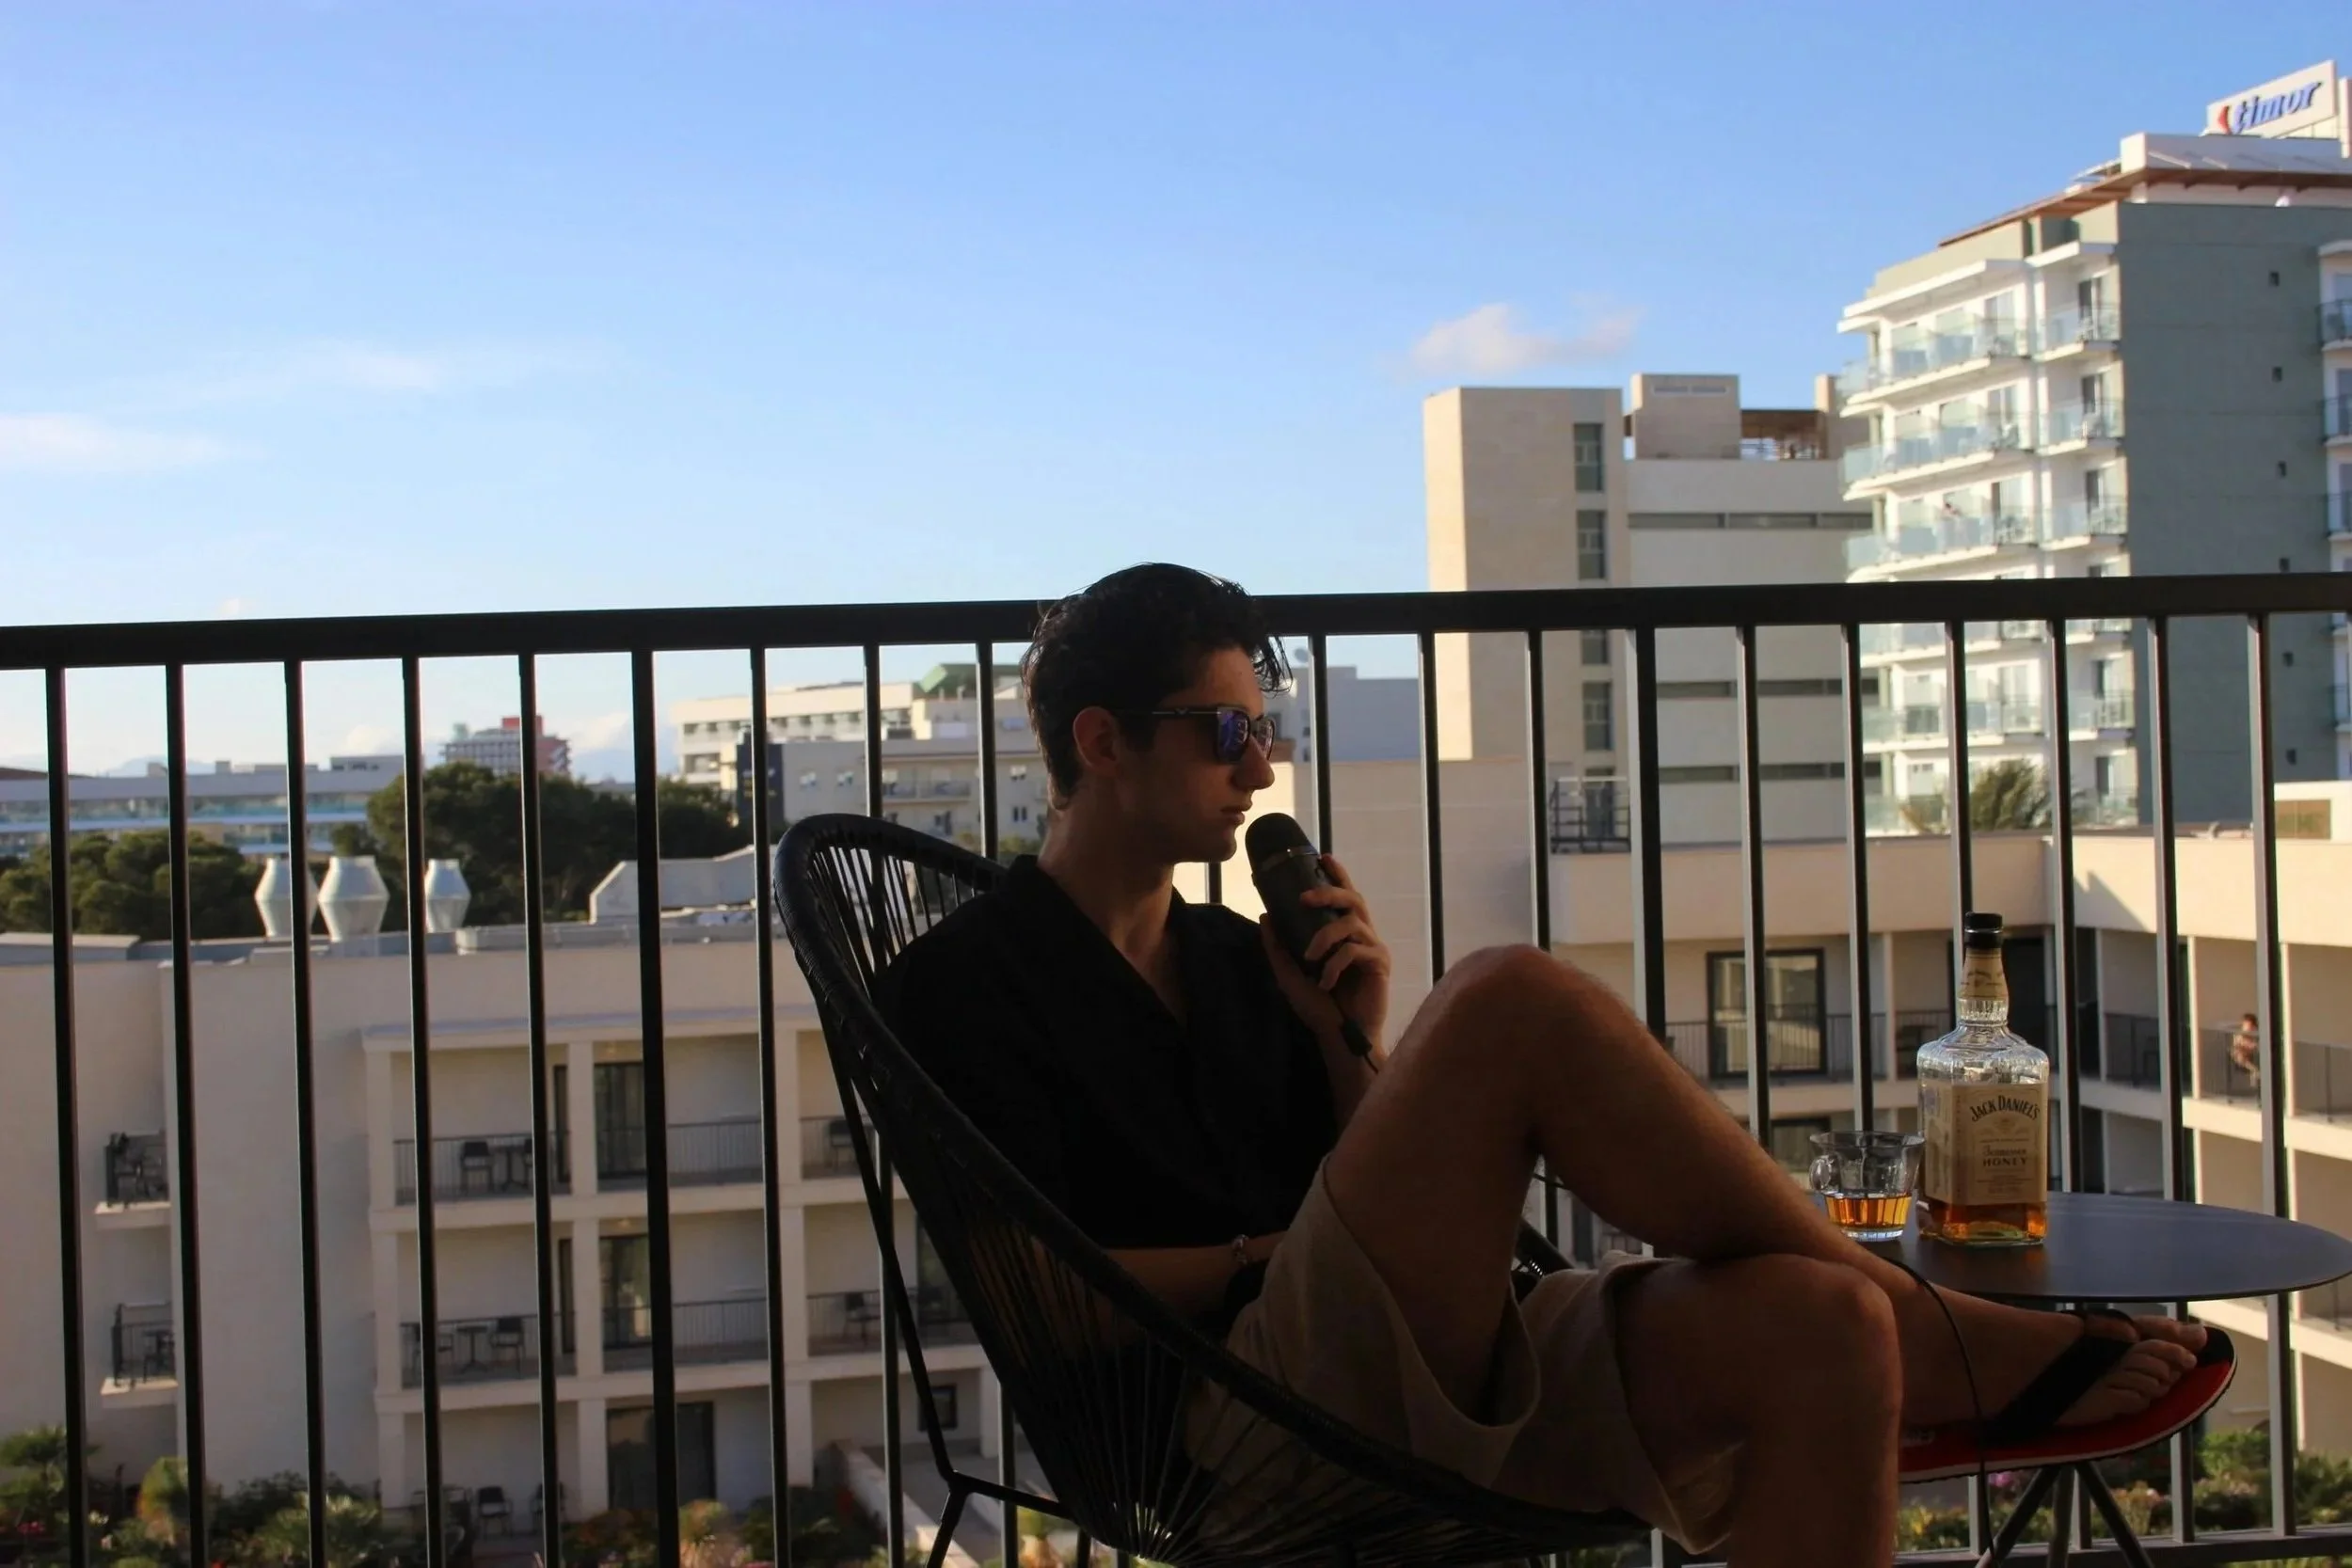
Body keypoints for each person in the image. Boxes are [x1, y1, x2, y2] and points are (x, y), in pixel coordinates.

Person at [877, 563, 2220, 1568]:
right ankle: (1954, 1334)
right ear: (1103, 743)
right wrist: (1261, 1258)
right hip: (1227, 1426)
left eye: (1264, 725)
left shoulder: (1243, 959)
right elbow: (1044, 1300)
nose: (1264, 763)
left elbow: (1372, 1197)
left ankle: (1903, 1320)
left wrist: (1351, 1029)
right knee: (1513, 994)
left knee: (1828, 1331)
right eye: (1226, 732)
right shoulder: (961, 983)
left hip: (1423, 1359)